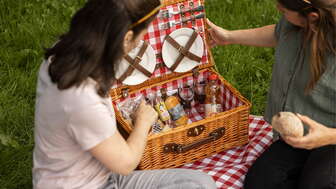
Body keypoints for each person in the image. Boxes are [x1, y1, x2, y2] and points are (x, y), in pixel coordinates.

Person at [32, 0, 217, 188]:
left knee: (201, 182)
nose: (139, 43)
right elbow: (126, 163)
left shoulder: (70, 52)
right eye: (141, 38)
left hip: (101, 173)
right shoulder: (81, 100)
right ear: (127, 38)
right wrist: (143, 123)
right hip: (85, 184)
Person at [206, 0, 336, 188]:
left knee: (319, 184)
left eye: (283, 11)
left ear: (313, 18)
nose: (277, 10)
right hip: (301, 136)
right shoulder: (297, 24)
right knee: (261, 182)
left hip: (331, 139)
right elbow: (278, 33)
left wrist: (327, 136)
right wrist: (227, 36)